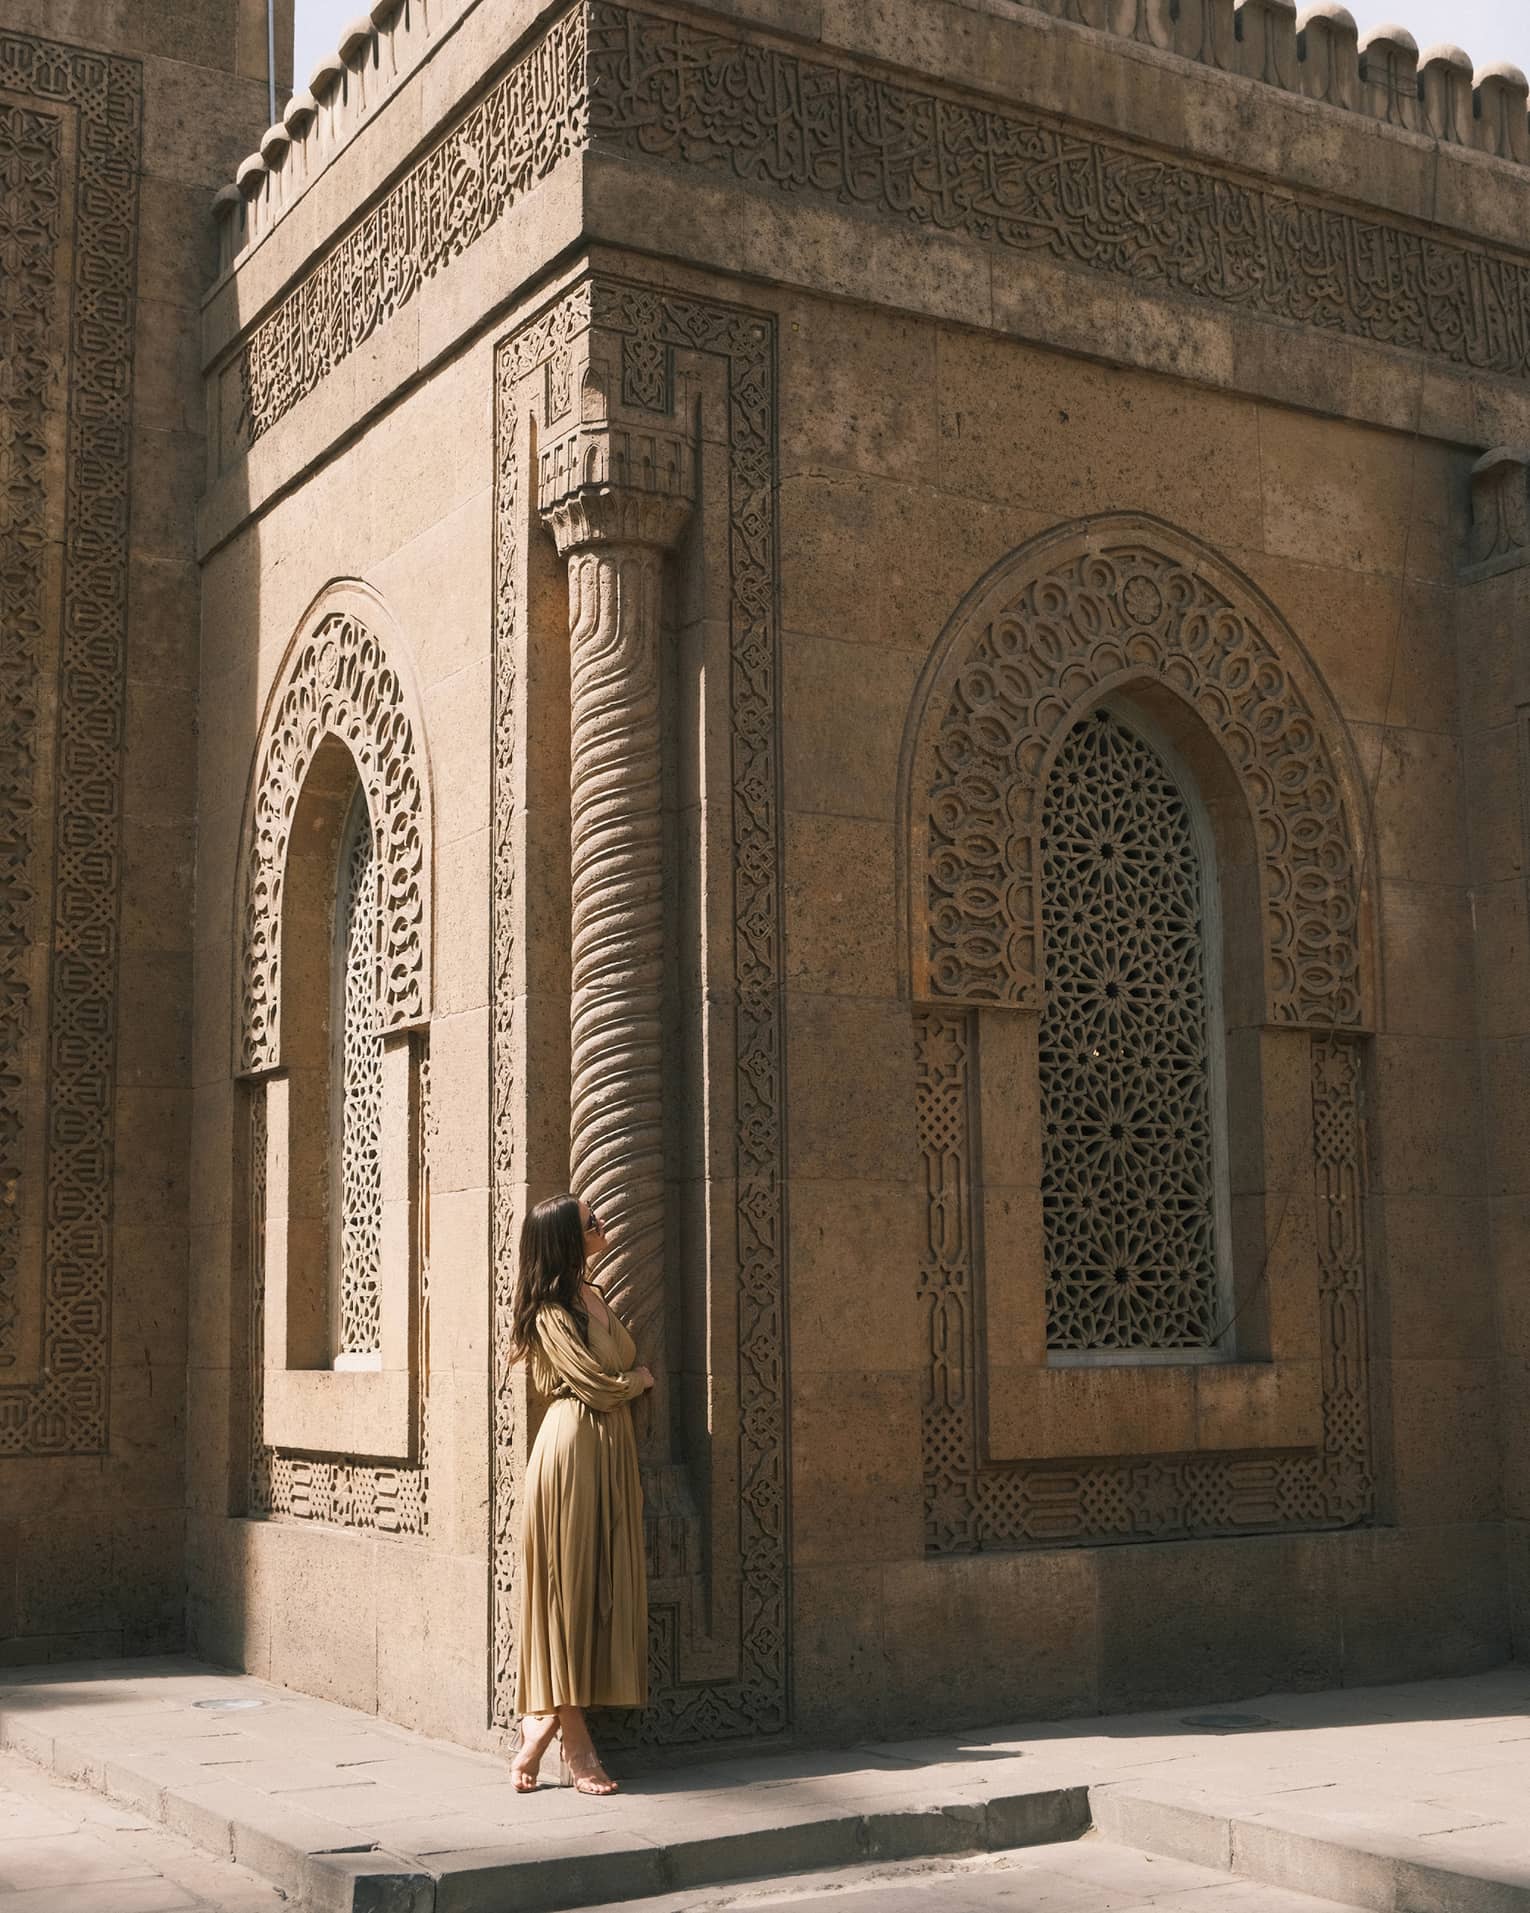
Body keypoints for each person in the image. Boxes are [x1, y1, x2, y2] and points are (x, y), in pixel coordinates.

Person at [508, 1193, 655, 1796]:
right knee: (569, 1596)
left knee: (599, 1589)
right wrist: (638, 1379)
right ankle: (576, 1744)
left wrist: (627, 1382)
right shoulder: (548, 1310)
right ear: (567, 1238)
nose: (601, 1224)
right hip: (571, 1454)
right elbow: (595, 1383)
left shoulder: (590, 1294)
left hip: (608, 1453)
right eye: (589, 1221)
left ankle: (539, 1728)